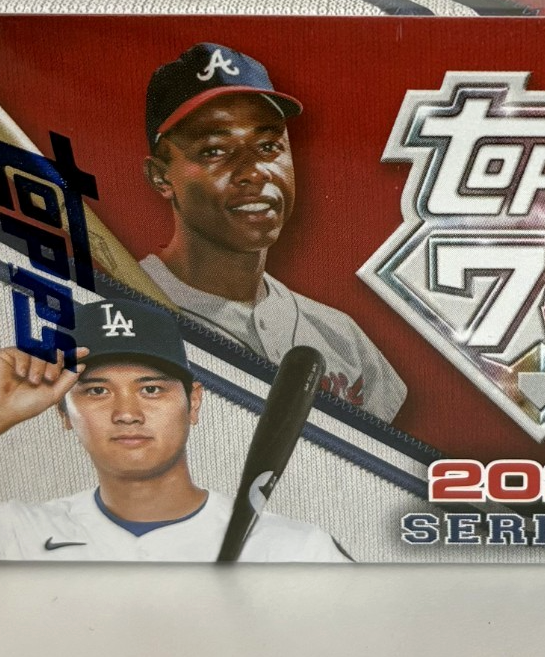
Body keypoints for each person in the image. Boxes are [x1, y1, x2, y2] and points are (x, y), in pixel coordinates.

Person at [0, 295, 348, 562]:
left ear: (192, 403)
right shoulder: (12, 533)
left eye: (151, 389)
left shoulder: (293, 550)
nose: (127, 413)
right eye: (97, 391)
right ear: (63, 412)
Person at [137, 42, 406, 422]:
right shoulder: (118, 311)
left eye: (268, 146)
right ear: (161, 177)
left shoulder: (341, 336)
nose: (254, 171)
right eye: (215, 150)